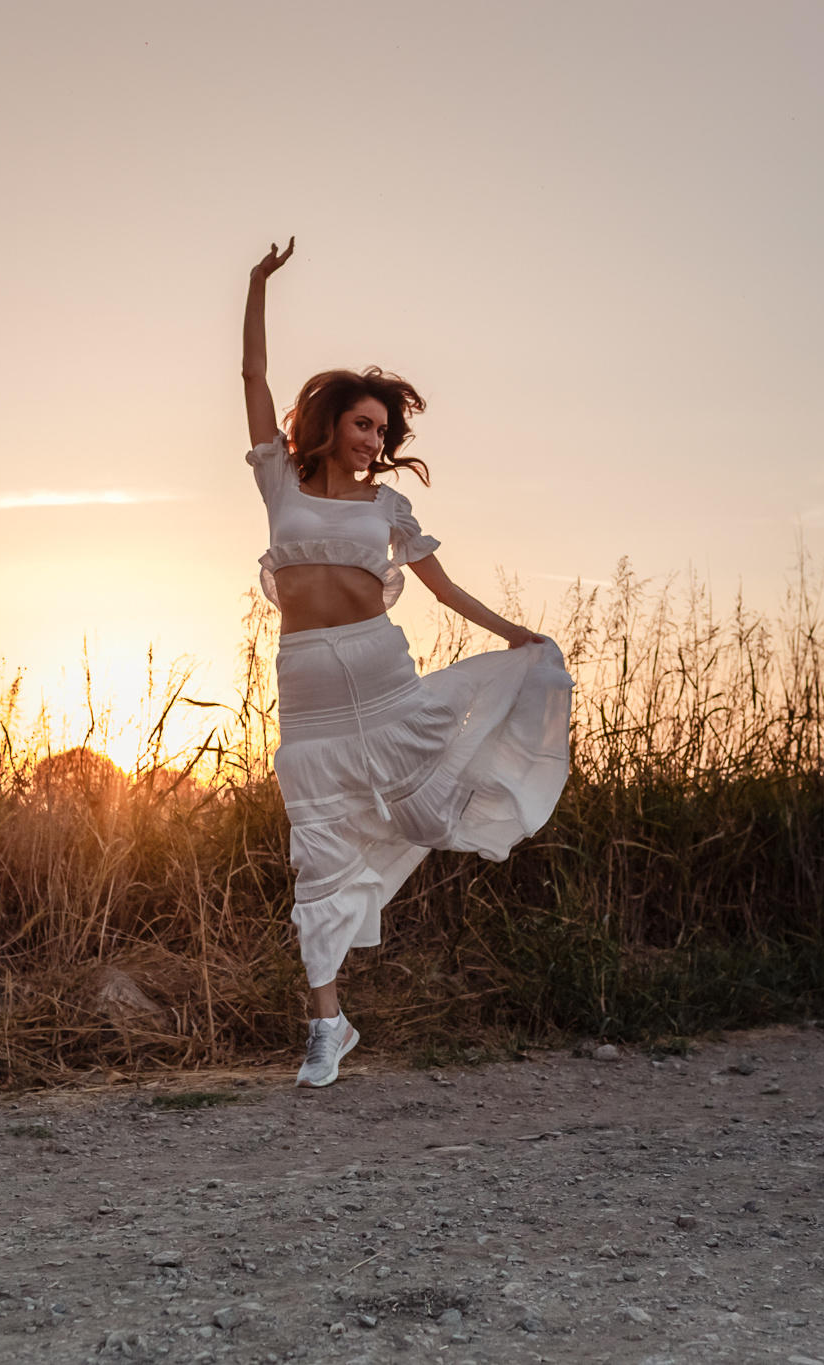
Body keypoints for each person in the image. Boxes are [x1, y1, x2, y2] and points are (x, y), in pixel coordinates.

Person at [241, 238, 573, 1088]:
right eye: (362, 423)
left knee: (423, 798)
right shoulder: (281, 480)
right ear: (327, 424)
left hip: (383, 676)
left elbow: (445, 588)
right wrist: (255, 284)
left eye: (382, 430)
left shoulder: (389, 505)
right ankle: (328, 1024)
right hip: (309, 691)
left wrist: (515, 635)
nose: (373, 439)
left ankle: (486, 808)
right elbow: (251, 380)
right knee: (316, 848)